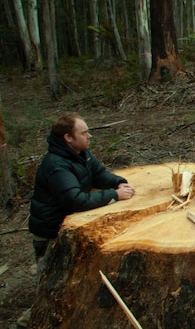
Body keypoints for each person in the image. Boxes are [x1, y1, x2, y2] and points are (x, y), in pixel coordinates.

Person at [28, 112, 135, 270]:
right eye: (84, 133)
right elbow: (75, 201)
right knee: (52, 274)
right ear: (68, 138)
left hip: (69, 225)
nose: (89, 136)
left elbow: (99, 174)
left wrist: (119, 182)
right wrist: (114, 195)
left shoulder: (81, 154)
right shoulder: (56, 165)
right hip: (52, 233)